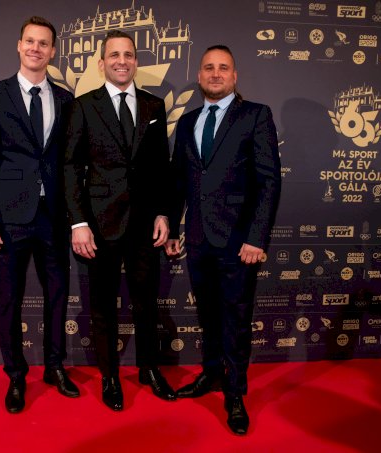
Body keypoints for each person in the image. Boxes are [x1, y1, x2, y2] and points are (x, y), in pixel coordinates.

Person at [165, 45, 281, 435]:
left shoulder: (256, 115)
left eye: (223, 68)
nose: (216, 73)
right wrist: (173, 228)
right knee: (209, 315)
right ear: (199, 76)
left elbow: (268, 182)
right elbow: (180, 181)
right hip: (198, 239)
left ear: (234, 76)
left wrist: (256, 238)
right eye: (209, 68)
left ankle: (235, 394)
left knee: (236, 319)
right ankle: (211, 373)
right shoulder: (188, 121)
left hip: (238, 242)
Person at [0, 16, 78, 414]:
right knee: (10, 299)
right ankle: (16, 375)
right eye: (30, 41)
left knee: (58, 295)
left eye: (43, 43)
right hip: (9, 217)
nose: (36, 48)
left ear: (53, 51)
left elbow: (70, 162)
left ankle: (54, 366)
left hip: (54, 215)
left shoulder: (66, 99)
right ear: (19, 46)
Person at [64, 30, 175, 411]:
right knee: (102, 306)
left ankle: (149, 369)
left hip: (145, 224)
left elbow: (161, 167)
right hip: (100, 224)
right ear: (102, 63)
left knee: (147, 302)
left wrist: (163, 213)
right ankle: (110, 376)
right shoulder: (83, 106)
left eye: (128, 54)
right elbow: (69, 167)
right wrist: (78, 222)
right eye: (114, 55)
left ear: (136, 62)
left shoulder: (154, 105)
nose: (122, 61)